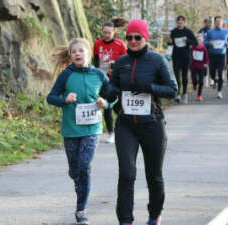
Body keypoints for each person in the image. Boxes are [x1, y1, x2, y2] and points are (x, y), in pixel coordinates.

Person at [107, 19, 178, 225]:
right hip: (126, 125)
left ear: (145, 37)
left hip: (152, 124)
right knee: (127, 174)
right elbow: (112, 87)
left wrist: (150, 87)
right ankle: (125, 220)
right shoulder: (121, 62)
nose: (133, 41)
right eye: (129, 37)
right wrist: (111, 93)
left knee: (153, 174)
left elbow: (173, 90)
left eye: (138, 37)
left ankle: (154, 215)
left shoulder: (156, 60)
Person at [47, 38, 112, 225]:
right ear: (70, 55)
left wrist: (105, 103)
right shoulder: (66, 75)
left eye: (81, 51)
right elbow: (51, 97)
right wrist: (64, 99)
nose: (77, 54)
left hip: (92, 129)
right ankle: (76, 175)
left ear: (88, 54)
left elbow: (112, 96)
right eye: (74, 51)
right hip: (71, 129)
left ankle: (81, 211)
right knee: (76, 169)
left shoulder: (99, 75)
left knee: (85, 167)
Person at [93, 21, 127, 143]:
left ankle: (123, 130)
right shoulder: (97, 44)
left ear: (114, 32)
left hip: (117, 80)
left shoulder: (120, 44)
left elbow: (126, 63)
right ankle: (111, 132)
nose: (106, 35)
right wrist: (98, 71)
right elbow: (96, 60)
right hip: (103, 80)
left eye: (109, 33)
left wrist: (113, 66)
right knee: (105, 106)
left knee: (118, 107)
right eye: (104, 32)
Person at [169, 15, 197, 104]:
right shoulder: (173, 32)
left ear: (184, 22)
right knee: (176, 76)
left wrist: (187, 40)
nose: (180, 22)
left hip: (186, 56)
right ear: (177, 22)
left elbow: (195, 43)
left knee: (184, 76)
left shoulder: (188, 31)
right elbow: (170, 44)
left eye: (182, 21)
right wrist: (169, 42)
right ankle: (177, 94)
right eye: (179, 21)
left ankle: (184, 94)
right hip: (176, 56)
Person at [205, 16, 228, 99]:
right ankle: (214, 79)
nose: (218, 23)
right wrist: (209, 43)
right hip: (212, 54)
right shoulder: (210, 32)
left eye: (220, 21)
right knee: (212, 72)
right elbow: (204, 41)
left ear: (222, 22)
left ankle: (219, 92)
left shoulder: (226, 32)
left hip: (222, 54)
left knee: (220, 73)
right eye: (217, 21)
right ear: (214, 22)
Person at [190, 34, 209, 101]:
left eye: (200, 40)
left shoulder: (204, 49)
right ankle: (194, 85)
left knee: (201, 82)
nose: (199, 41)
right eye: (197, 40)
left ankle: (199, 95)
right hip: (193, 66)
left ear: (202, 41)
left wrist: (206, 63)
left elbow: (206, 58)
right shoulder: (192, 48)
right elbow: (189, 55)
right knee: (194, 80)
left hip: (201, 67)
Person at [198, 17, 213, 87]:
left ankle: (211, 79)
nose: (209, 23)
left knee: (211, 65)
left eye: (210, 22)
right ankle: (205, 79)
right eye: (207, 22)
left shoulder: (213, 30)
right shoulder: (201, 30)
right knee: (204, 65)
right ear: (205, 23)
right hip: (203, 50)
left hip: (211, 50)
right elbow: (199, 39)